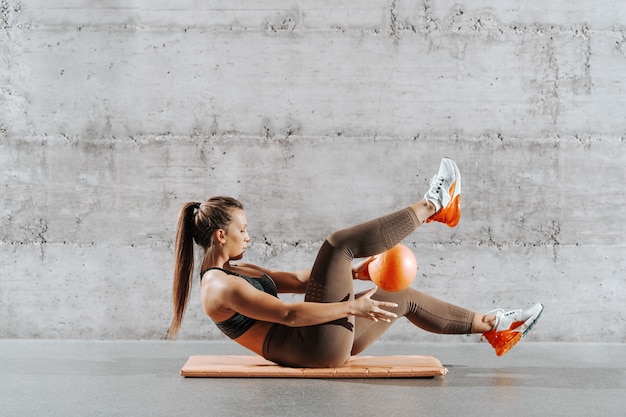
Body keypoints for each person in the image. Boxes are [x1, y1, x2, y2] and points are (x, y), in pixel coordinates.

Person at [167, 158, 543, 366]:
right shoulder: (218, 285)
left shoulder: (236, 270)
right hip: (311, 349)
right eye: (243, 230)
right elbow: (290, 317)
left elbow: (300, 279)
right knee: (337, 244)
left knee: (399, 296)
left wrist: (356, 273)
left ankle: (495, 326)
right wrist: (351, 305)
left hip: (318, 344)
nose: (248, 236)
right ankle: (433, 205)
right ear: (221, 235)